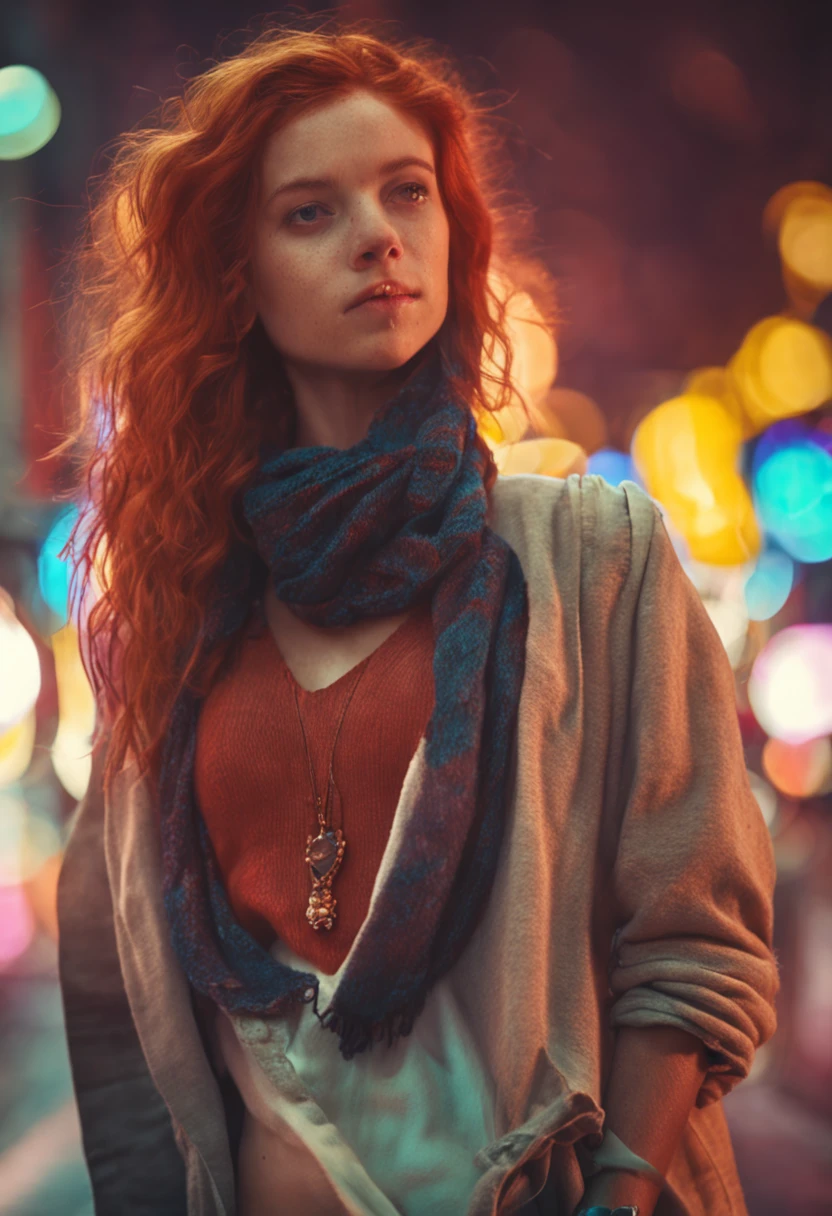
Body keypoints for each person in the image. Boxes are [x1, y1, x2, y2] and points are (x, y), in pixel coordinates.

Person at [54, 20, 779, 1216]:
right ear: (233, 276)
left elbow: (696, 944)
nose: (380, 236)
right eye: (311, 212)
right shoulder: (171, 610)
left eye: (407, 193)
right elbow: (122, 1005)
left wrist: (621, 1192)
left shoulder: (593, 556)